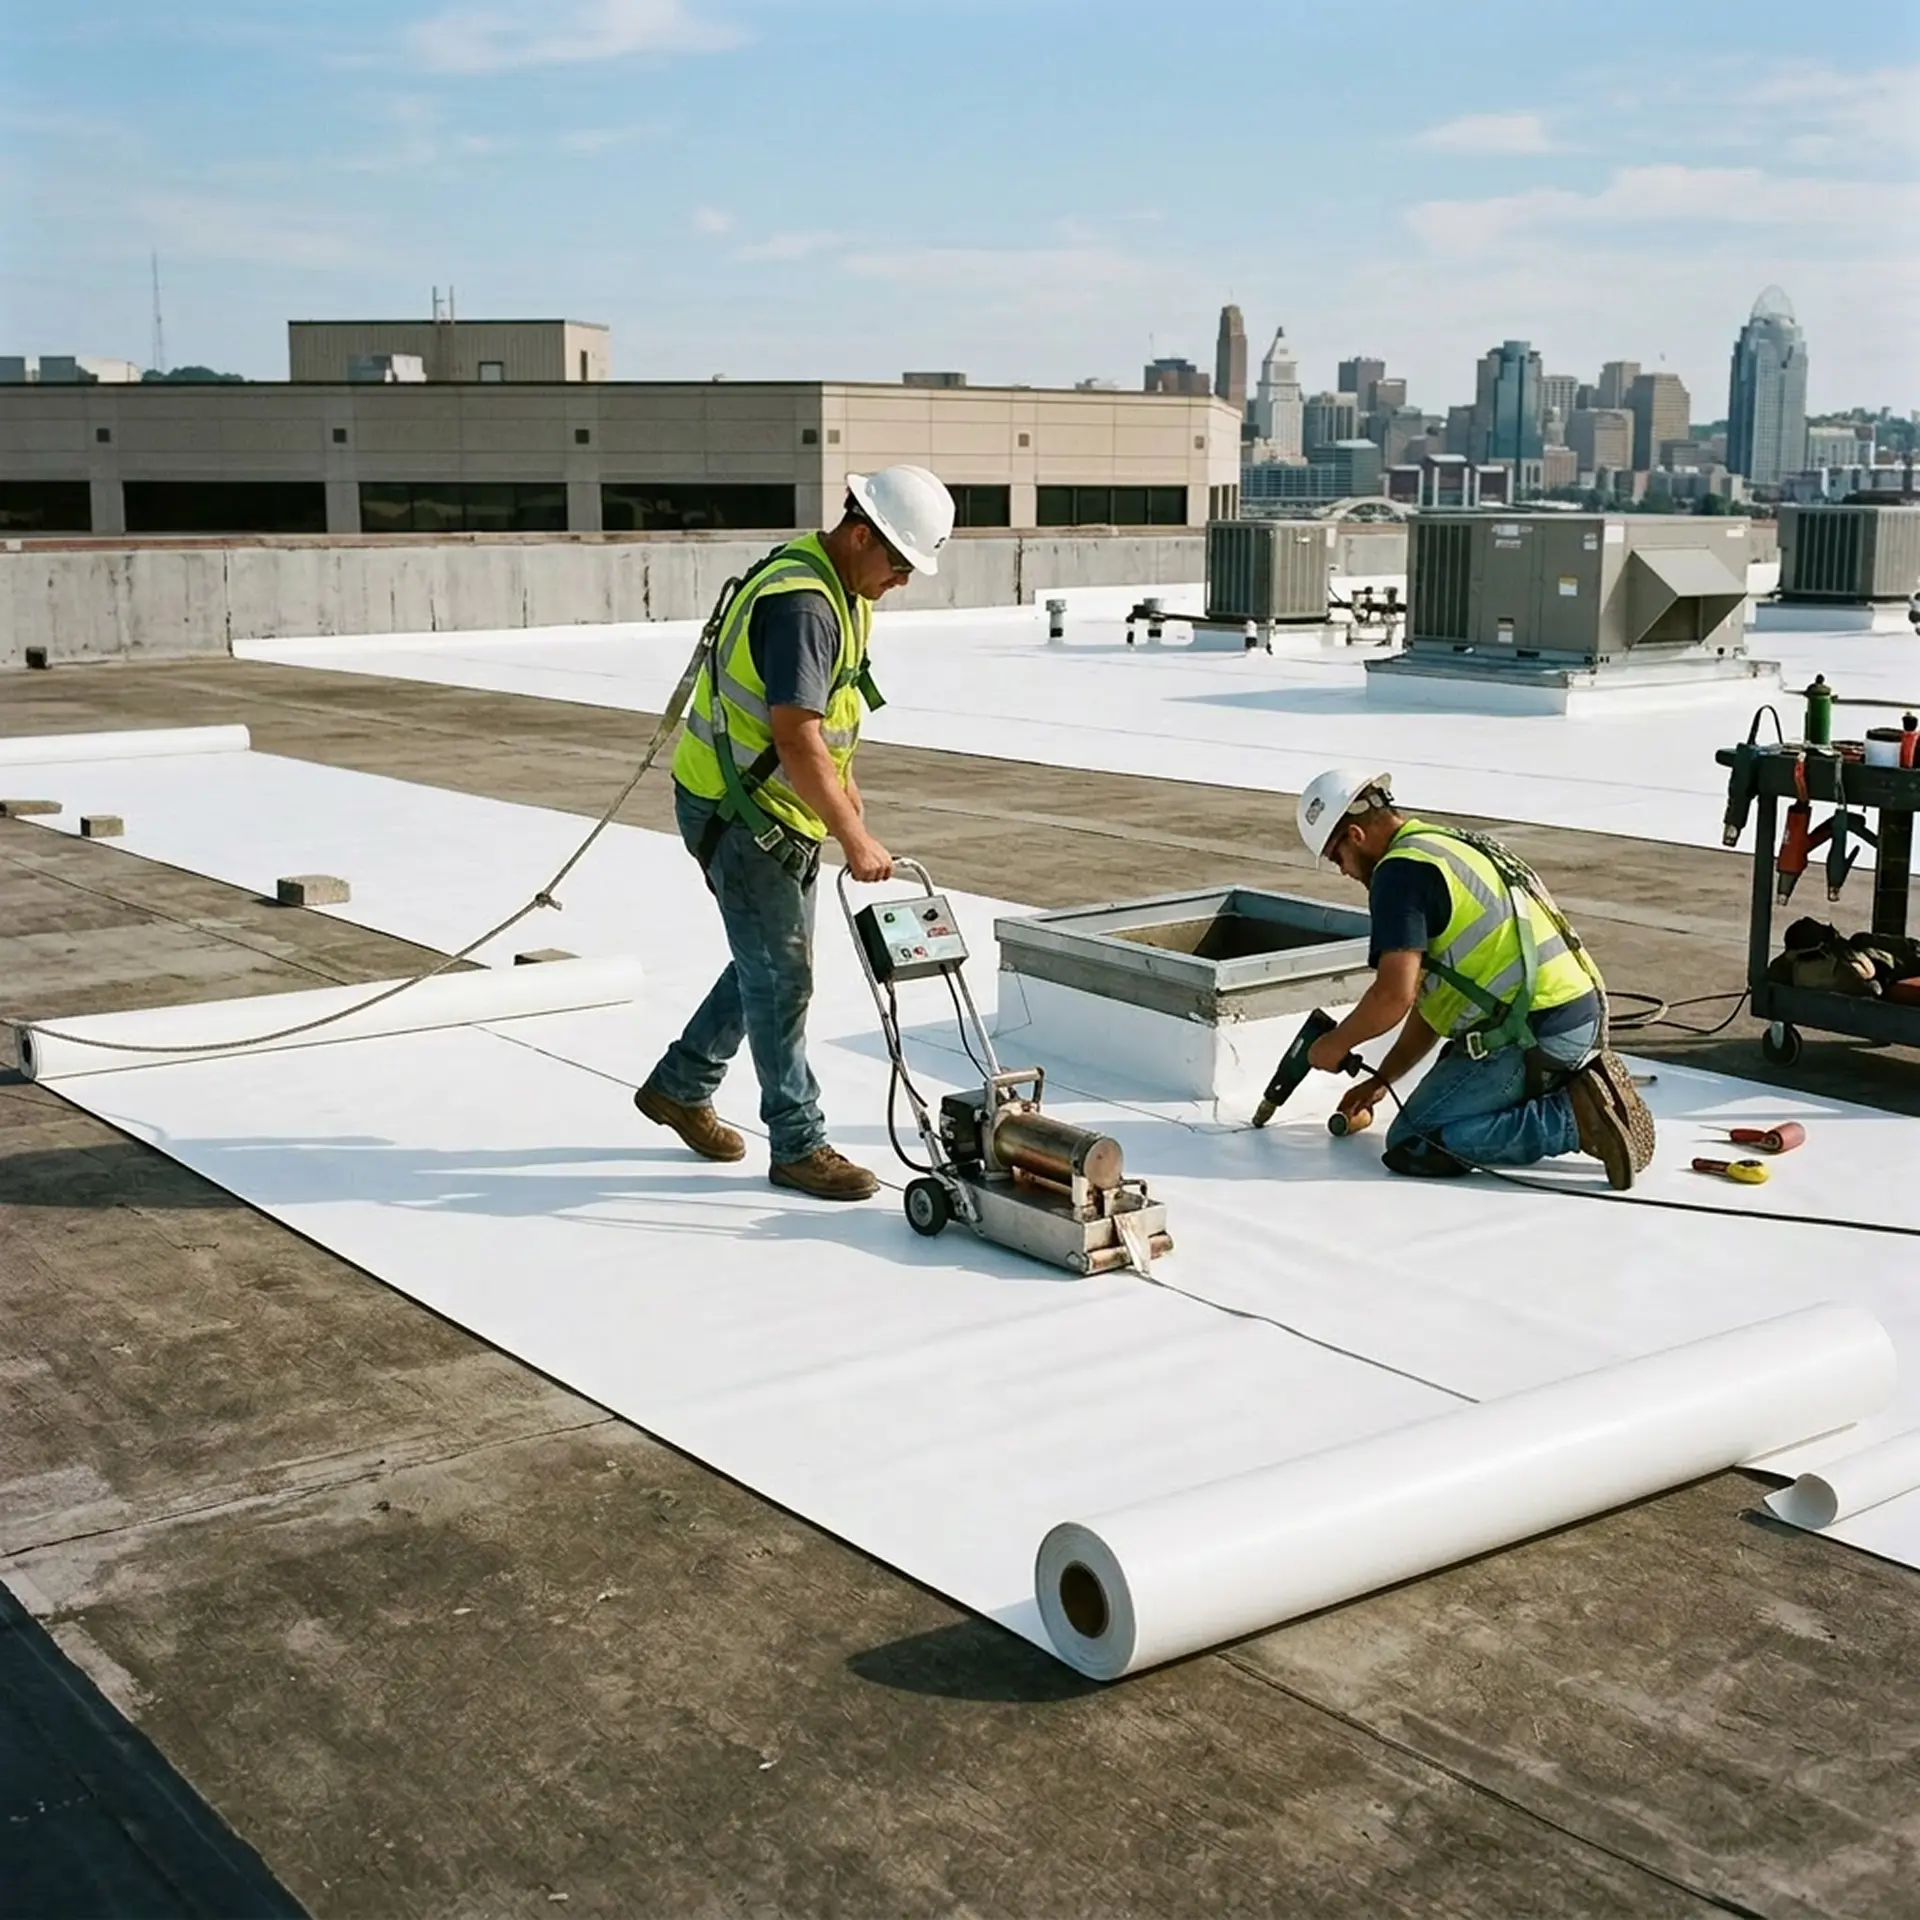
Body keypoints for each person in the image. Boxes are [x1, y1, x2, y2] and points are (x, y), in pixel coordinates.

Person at [633, 466, 956, 1201]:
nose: (902, 581)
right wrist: (853, 837)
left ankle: (681, 1085)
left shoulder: (841, 586)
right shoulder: (806, 604)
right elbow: (796, 736)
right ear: (861, 534)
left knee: (767, 965)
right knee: (784, 976)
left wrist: (844, 793)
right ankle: (798, 1143)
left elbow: (828, 715)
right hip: (742, 812)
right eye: (899, 563)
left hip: (773, 804)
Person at [1294, 767, 1656, 1188]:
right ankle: (1579, 1091)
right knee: (1452, 1093)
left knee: (1414, 1141)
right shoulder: (1448, 844)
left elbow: (1394, 995)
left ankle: (1570, 1120)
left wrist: (1334, 1045)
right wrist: (1382, 1079)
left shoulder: (1398, 874)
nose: (1343, 871)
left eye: (1337, 857)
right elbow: (1432, 1004)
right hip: (1576, 1017)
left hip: (1533, 1035)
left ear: (1355, 835)